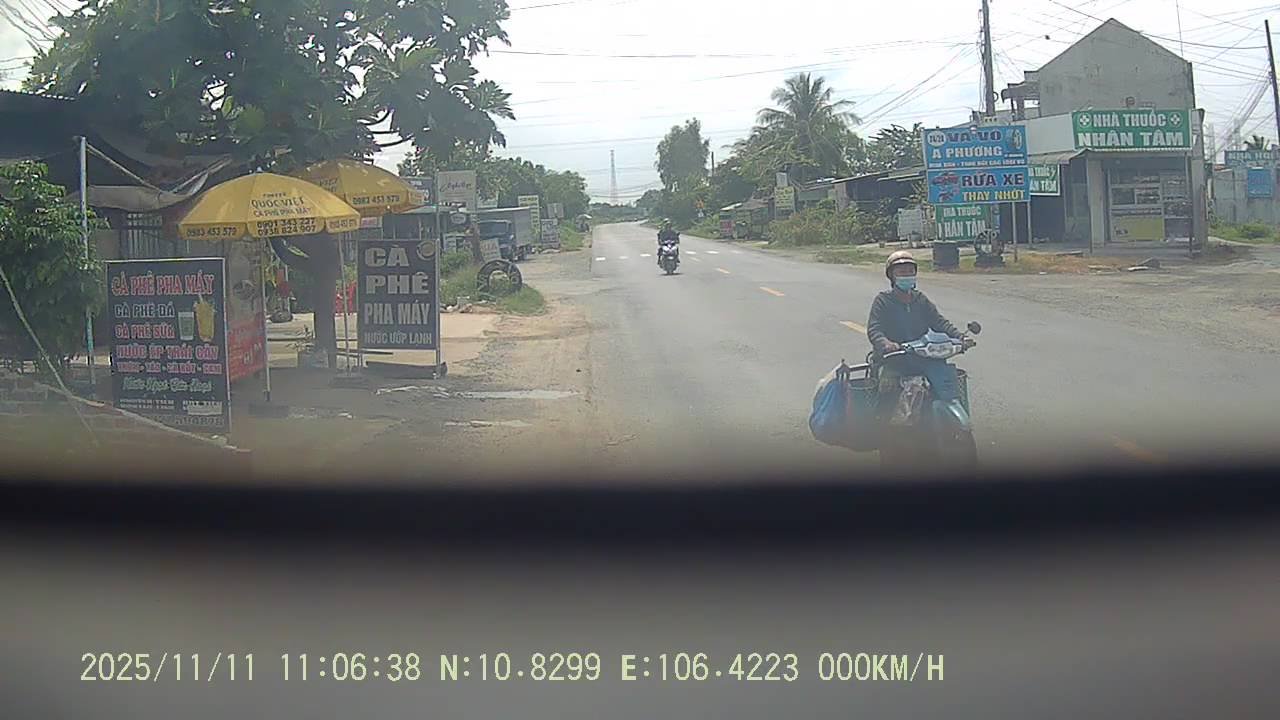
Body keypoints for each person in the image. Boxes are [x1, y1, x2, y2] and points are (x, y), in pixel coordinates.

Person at [866, 250, 972, 426]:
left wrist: (960, 337)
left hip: (922, 356)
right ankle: (882, 429)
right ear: (892, 276)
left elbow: (939, 322)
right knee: (888, 389)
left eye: (910, 271)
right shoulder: (883, 301)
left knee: (945, 382)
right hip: (894, 359)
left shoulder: (920, 300)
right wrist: (886, 343)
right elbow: (874, 329)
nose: (906, 275)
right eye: (901, 272)